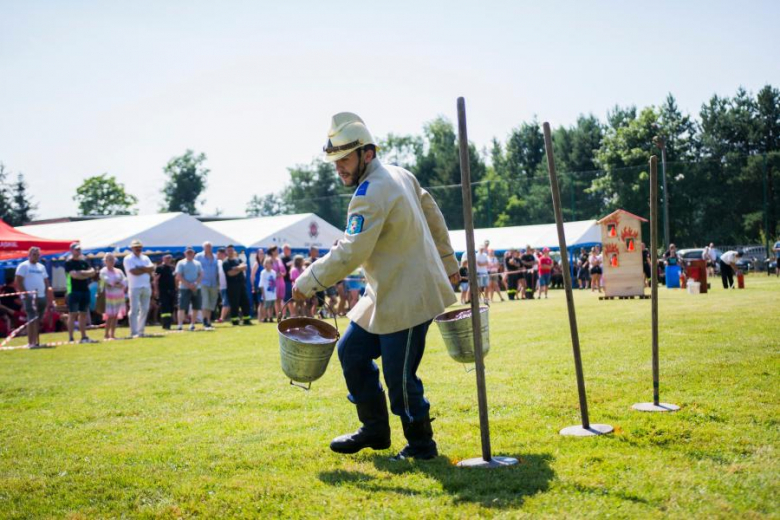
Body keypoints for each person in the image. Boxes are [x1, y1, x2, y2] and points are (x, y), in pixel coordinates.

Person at [292, 112, 459, 460]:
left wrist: (307, 281)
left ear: (367, 153)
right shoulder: (399, 173)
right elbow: (433, 211)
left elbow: (353, 250)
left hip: (411, 295)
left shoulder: (371, 192)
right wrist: (448, 261)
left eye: (345, 159)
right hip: (385, 293)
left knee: (399, 379)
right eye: (335, 161)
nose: (339, 167)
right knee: (351, 352)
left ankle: (421, 446)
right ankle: (375, 431)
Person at [14, 247, 52, 348]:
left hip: (41, 296)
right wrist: (25, 294)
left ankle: (35, 341)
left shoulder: (41, 267)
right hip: (30, 297)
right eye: (34, 254)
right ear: (29, 255)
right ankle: (31, 342)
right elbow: (18, 281)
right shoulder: (23, 266)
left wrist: (46, 295)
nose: (36, 256)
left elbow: (46, 281)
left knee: (38, 320)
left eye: (38, 255)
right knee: (31, 318)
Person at [64, 242, 97, 343]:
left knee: (83, 314)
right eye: (76, 249)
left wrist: (82, 273)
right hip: (73, 291)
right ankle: (71, 337)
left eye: (79, 249)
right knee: (72, 314)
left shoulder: (84, 262)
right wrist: (85, 274)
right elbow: (74, 275)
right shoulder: (69, 262)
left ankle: (83, 337)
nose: (78, 251)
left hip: (84, 290)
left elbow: (93, 272)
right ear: (71, 250)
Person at [124, 239, 155, 337]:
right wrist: (146, 269)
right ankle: (134, 332)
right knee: (134, 309)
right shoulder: (128, 258)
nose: (138, 248)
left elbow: (152, 269)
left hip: (146, 286)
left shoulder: (145, 258)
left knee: (145, 309)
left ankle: (140, 330)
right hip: (134, 287)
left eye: (139, 247)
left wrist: (140, 268)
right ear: (132, 248)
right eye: (136, 247)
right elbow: (133, 272)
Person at [99, 253, 127, 340]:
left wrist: (117, 284)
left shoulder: (119, 271)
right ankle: (106, 334)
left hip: (118, 296)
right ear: (105, 261)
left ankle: (113, 334)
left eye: (113, 259)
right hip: (108, 297)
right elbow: (108, 281)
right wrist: (117, 284)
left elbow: (125, 281)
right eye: (109, 259)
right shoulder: (103, 271)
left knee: (115, 316)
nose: (111, 261)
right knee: (110, 315)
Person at [223, 245, 253, 325]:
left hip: (241, 285)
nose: (230, 252)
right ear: (226, 252)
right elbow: (230, 273)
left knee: (245, 302)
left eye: (231, 250)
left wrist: (235, 268)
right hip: (232, 286)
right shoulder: (225, 262)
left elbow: (245, 266)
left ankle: (246, 319)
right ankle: (235, 320)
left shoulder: (238, 259)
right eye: (228, 250)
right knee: (234, 303)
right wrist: (239, 269)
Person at [175, 247, 203, 330]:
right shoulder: (181, 263)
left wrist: (195, 284)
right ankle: (180, 324)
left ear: (194, 253)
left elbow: (201, 274)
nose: (190, 254)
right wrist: (188, 285)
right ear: (185, 253)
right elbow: (178, 276)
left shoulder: (198, 263)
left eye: (191, 252)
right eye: (188, 252)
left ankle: (192, 324)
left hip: (196, 288)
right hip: (184, 288)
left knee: (196, 306)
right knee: (182, 306)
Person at [195, 241, 220, 330]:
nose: (208, 248)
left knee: (211, 302)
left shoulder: (215, 257)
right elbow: (195, 269)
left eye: (210, 246)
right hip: (203, 282)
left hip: (213, 283)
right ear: (203, 247)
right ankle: (205, 320)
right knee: (205, 301)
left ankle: (208, 321)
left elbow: (218, 270)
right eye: (207, 246)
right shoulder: (198, 256)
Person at [154, 255, 176, 330]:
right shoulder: (159, 268)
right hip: (163, 291)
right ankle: (165, 324)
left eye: (170, 258)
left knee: (171, 307)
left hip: (172, 290)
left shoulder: (172, 268)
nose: (168, 260)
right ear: (163, 259)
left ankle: (169, 322)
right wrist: (156, 290)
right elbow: (156, 280)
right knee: (165, 308)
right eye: (167, 258)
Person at [267, 246, 287, 319]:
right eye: (276, 250)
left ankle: (283, 315)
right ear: (272, 252)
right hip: (273, 283)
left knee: (281, 299)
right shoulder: (269, 260)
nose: (277, 252)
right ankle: (278, 316)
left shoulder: (279, 260)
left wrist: (282, 274)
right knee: (275, 300)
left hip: (281, 282)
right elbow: (268, 271)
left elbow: (284, 271)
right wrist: (276, 274)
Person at [259, 257, 277, 322]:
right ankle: (265, 317)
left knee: (271, 306)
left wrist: (275, 291)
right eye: (267, 263)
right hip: (266, 292)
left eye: (270, 263)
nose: (269, 265)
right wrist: (263, 293)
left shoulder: (273, 272)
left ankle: (271, 317)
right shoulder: (263, 273)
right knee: (265, 306)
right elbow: (261, 284)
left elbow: (274, 283)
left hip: (272, 292)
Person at [249, 249, 266, 319]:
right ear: (257, 255)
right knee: (261, 302)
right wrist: (253, 286)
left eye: (262, 253)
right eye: (260, 253)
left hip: (264, 285)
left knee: (264, 302)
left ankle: (263, 317)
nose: (261, 255)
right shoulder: (256, 264)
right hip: (258, 285)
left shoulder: (264, 263)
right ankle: (260, 318)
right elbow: (252, 276)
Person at [216, 247, 230, 322]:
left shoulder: (227, 261)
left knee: (226, 302)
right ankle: (224, 317)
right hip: (221, 286)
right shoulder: (218, 262)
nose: (217, 255)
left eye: (218, 254)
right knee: (225, 302)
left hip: (227, 285)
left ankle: (222, 318)